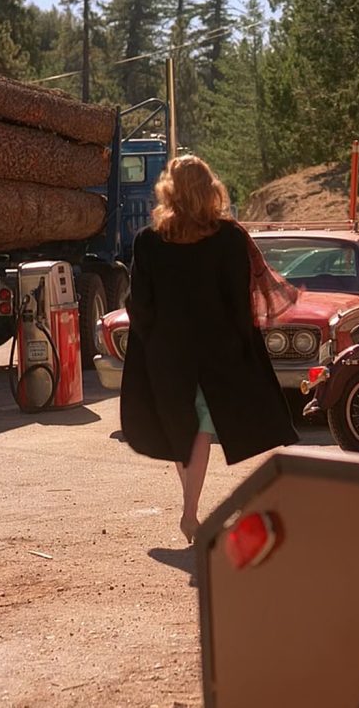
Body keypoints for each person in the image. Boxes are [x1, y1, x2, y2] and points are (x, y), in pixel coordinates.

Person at [119, 155, 299, 544]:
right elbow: (238, 297)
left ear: (171, 190)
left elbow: (140, 302)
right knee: (197, 431)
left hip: (167, 352)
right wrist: (241, 342)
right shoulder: (229, 238)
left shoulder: (149, 240)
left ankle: (189, 509)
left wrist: (151, 338)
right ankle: (189, 513)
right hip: (215, 350)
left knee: (182, 429)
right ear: (210, 189)